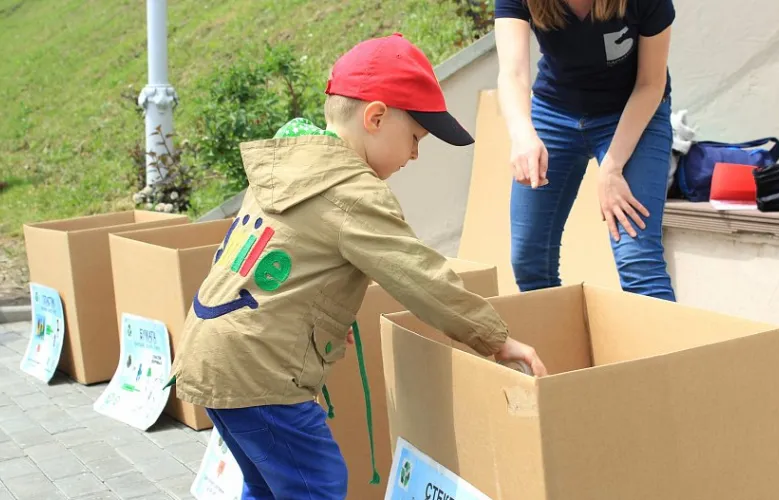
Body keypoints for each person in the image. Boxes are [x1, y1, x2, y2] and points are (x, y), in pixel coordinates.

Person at [166, 33, 548, 500]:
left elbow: (282, 256)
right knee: (318, 484)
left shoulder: (293, 166)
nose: (415, 154)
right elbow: (419, 275)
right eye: (415, 138)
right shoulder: (352, 193)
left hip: (213, 352)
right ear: (376, 118)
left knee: (269, 488)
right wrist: (496, 339)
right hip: (260, 371)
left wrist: (321, 314)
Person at [494, 0, 677, 301]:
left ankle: (666, 334)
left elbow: (650, 84)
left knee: (638, 262)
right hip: (554, 111)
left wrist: (613, 166)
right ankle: (556, 332)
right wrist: (522, 133)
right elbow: (512, 73)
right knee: (529, 261)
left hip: (632, 110)